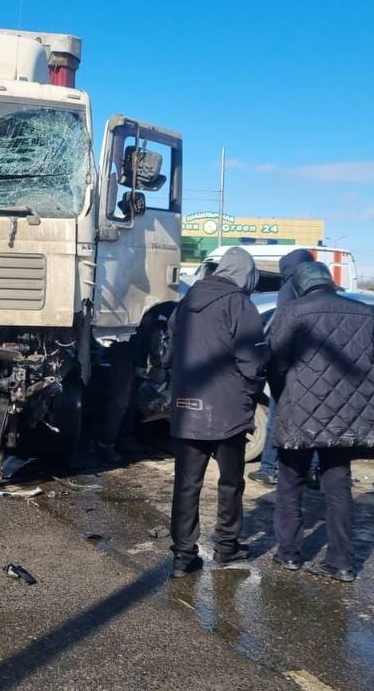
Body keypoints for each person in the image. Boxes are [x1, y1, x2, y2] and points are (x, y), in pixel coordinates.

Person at [267, 261, 374, 582]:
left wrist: (288, 391)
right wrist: (352, 387)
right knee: (338, 487)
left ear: (301, 284)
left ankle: (290, 554)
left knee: (290, 483)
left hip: (298, 413)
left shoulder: (292, 312)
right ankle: (341, 562)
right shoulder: (363, 311)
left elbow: (275, 361)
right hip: (346, 417)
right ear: (330, 282)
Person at [164, 246, 268, 578]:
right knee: (230, 483)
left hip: (185, 406)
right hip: (227, 411)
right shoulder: (239, 304)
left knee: (186, 484)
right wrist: (251, 395)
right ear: (244, 275)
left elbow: (167, 355)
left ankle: (183, 556)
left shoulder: (185, 304)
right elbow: (253, 362)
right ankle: (226, 547)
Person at [248, 247, 315, 487]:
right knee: (313, 420)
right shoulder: (313, 289)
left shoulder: (287, 290)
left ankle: (269, 467)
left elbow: (280, 329)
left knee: (277, 417)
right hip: (314, 369)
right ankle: (313, 470)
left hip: (287, 368)